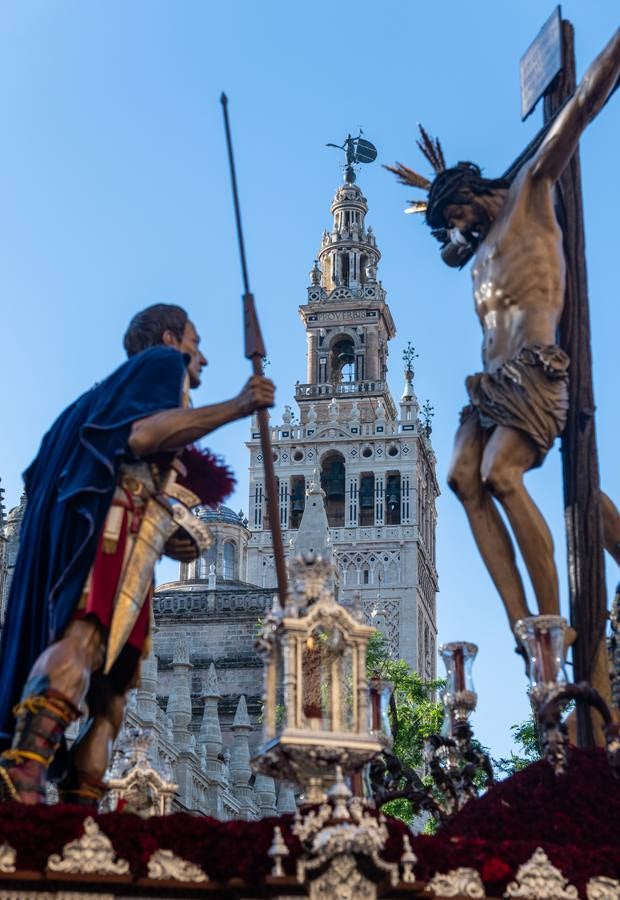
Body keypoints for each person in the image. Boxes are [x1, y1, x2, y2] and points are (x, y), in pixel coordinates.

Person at [388, 32, 619, 637]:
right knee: (464, 477)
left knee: (501, 474)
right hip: (489, 386)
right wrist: (458, 239)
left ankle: (552, 624)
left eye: (453, 221)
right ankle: (526, 633)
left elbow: (585, 103)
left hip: (535, 367)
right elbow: (453, 255)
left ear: (469, 193)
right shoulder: (481, 247)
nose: (452, 237)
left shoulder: (531, 193)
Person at [0, 303, 274, 804]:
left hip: (130, 541)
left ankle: (79, 807)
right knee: (84, 641)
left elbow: (123, 463)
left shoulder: (99, 398)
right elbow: (142, 437)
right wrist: (239, 406)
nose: (203, 358)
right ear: (170, 340)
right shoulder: (158, 367)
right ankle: (26, 771)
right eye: (195, 343)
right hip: (108, 535)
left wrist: (174, 532)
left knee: (115, 695)